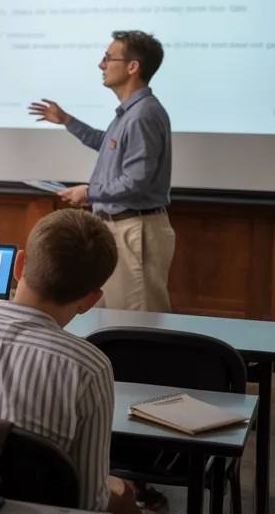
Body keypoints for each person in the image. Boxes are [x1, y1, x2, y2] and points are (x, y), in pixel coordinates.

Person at [0, 210, 139, 514]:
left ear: (18, 265)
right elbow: (87, 503)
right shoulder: (89, 368)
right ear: (90, 300)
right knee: (123, 491)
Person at [28, 30, 175, 312]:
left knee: (136, 321)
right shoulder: (130, 113)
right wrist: (67, 120)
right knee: (111, 317)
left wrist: (89, 193)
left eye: (108, 58)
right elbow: (106, 143)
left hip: (134, 229)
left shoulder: (143, 114)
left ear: (133, 67)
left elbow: (137, 181)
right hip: (118, 227)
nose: (101, 64)